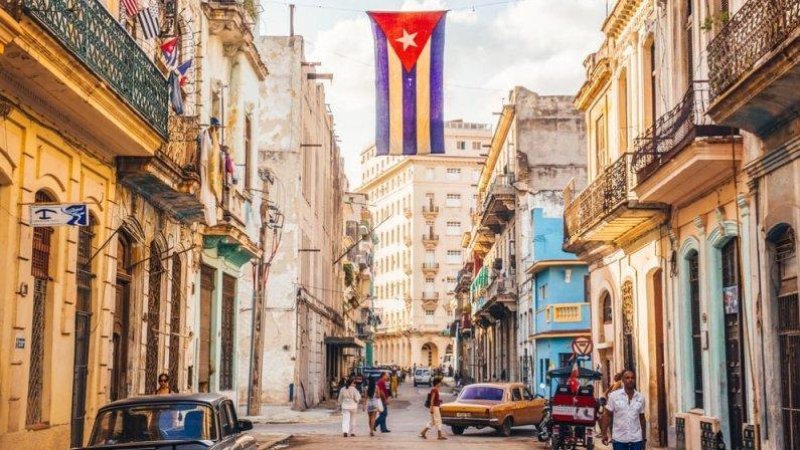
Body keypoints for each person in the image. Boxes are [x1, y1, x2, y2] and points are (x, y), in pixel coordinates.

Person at [600, 369, 646, 450]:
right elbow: (607, 415)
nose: (630, 380)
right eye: (627, 378)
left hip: (636, 440)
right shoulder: (614, 396)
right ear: (623, 380)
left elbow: (642, 418)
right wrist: (604, 434)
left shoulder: (640, 397)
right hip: (619, 440)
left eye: (632, 378)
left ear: (635, 380)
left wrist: (643, 439)